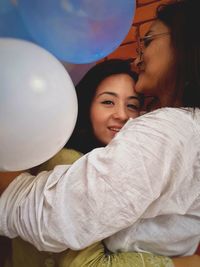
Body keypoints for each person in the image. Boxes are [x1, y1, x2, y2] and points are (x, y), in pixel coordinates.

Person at [0, 0, 200, 266]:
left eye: (148, 41)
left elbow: (60, 219)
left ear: (185, 44)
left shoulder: (169, 131)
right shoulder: (61, 159)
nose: (138, 57)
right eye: (107, 101)